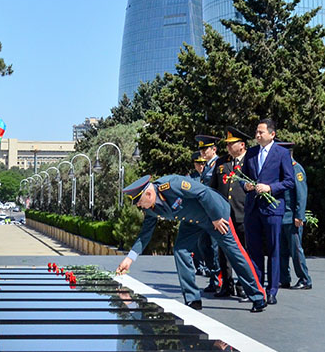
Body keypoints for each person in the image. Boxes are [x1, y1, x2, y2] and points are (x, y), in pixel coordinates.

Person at [114, 174, 267, 313]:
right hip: (192, 221)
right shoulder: (151, 208)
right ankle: (193, 299)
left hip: (215, 216)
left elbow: (203, 193)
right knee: (180, 250)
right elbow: (144, 235)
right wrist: (130, 259)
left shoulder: (172, 184)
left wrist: (215, 217)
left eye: (140, 202)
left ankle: (258, 296)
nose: (140, 207)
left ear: (148, 194)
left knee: (234, 253)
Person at [241, 118, 295, 305]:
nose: (257, 135)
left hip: (272, 208)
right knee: (254, 250)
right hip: (253, 208)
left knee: (273, 250)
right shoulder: (251, 153)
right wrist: (246, 185)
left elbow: (289, 181)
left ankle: (272, 290)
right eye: (256, 132)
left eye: (261, 132)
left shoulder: (281, 153)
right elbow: (243, 177)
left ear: (272, 134)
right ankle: (256, 289)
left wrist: (270, 188)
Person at [213, 126, 250, 299]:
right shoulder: (222, 163)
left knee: (244, 252)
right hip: (224, 216)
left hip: (244, 213)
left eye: (231, 144)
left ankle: (242, 285)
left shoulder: (250, 161)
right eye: (227, 144)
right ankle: (226, 285)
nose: (228, 147)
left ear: (242, 145)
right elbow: (213, 189)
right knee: (224, 252)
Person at [278, 140, 312, 290]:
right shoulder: (281, 170)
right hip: (281, 216)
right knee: (281, 250)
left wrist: (299, 215)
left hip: (292, 217)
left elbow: (301, 194)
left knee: (296, 250)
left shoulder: (295, 169)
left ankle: (304, 279)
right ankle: (283, 278)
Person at [194, 134, 222, 293]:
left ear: (214, 149)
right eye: (201, 149)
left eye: (205, 149)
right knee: (203, 245)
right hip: (206, 215)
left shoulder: (218, 165)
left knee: (213, 247)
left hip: (215, 215)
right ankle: (214, 277)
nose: (202, 152)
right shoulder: (207, 168)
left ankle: (219, 278)